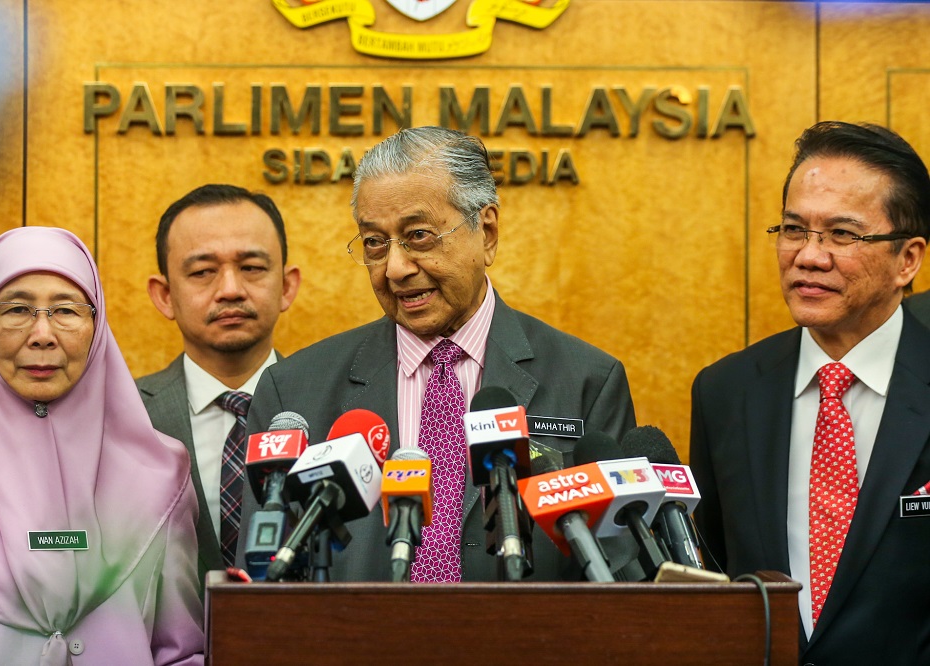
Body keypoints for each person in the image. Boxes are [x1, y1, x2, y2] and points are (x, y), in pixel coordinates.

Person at [237, 126, 636, 582]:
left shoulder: (587, 381)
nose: (396, 268)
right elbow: (265, 585)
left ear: (486, 232)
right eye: (374, 242)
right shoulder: (293, 392)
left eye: (419, 236)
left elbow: (620, 575)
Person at [690, 121, 930, 664]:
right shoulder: (725, 392)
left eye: (843, 235)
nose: (809, 256)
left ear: (908, 259)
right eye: (795, 230)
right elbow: (715, 572)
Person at [0, 227, 203, 665]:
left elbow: (182, 652)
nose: (43, 334)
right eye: (17, 309)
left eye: (66, 310)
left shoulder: (159, 472)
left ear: (97, 327)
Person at [137, 184, 300, 589]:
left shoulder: (339, 409)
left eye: (251, 267)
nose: (230, 289)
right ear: (164, 296)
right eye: (202, 272)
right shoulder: (123, 417)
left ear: (286, 286)